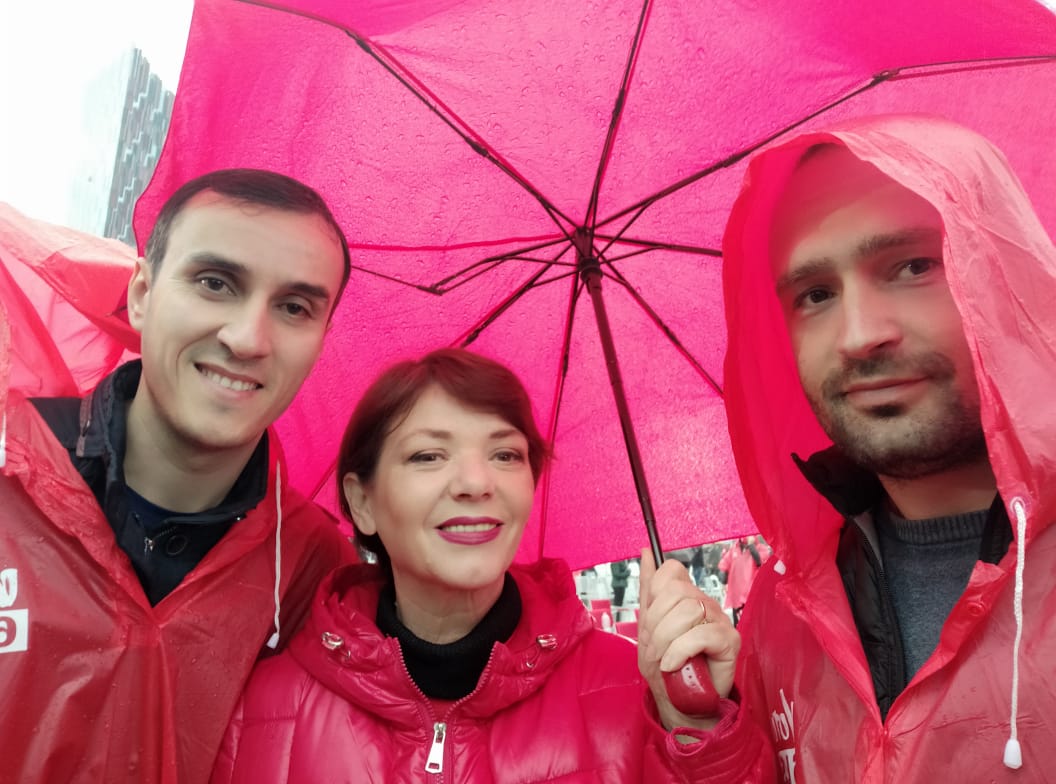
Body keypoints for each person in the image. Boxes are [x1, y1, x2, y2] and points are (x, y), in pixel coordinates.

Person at [211, 348, 768, 783]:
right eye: (428, 455)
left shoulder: (638, 690)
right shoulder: (265, 707)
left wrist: (697, 733)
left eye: (505, 454)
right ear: (362, 502)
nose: (477, 483)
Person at [715, 114, 1056, 781]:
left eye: (913, 266)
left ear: (1000, 276)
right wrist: (706, 741)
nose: (859, 335)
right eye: (816, 295)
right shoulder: (782, 612)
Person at [0, 169, 357, 783]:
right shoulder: (12, 474)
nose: (247, 339)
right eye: (215, 283)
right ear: (141, 294)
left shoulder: (317, 575)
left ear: (321, 341)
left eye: (294, 307)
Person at [717, 536, 770, 626]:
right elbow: (725, 564)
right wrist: (723, 573)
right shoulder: (734, 550)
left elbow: (759, 561)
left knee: (753, 624)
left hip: (752, 595)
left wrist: (751, 546)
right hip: (736, 595)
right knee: (739, 625)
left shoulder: (761, 549)